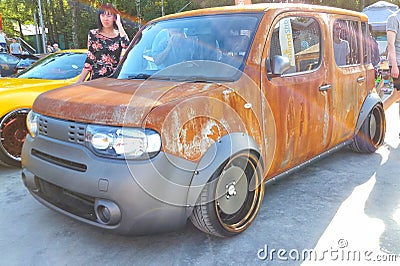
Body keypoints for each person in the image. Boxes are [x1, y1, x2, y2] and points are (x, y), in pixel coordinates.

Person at [76, 3, 130, 82]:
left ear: (114, 17)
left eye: (109, 15)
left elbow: (127, 47)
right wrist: (79, 81)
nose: (105, 19)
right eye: (102, 15)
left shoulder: (120, 35)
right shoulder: (93, 34)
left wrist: (119, 24)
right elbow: (90, 59)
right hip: (96, 80)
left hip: (114, 80)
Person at [386, 10, 400, 138]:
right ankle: (374, 116)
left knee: (398, 96)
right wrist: (394, 66)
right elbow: (390, 44)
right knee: (396, 95)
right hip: (398, 63)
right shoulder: (394, 18)